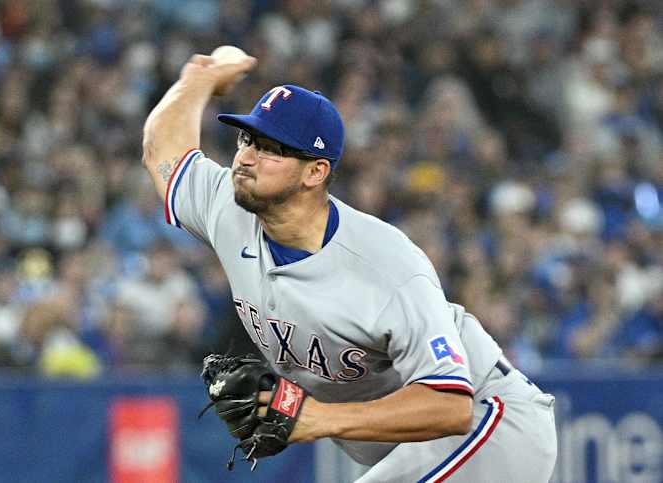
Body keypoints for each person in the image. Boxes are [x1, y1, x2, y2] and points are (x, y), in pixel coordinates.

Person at [141, 51, 557, 482]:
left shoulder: (386, 267)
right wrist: (199, 79)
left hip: (491, 423)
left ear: (315, 172)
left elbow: (450, 405)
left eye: (269, 148)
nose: (246, 157)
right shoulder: (227, 206)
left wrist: (315, 419)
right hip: (413, 447)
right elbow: (163, 149)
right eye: (247, 140)